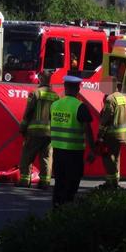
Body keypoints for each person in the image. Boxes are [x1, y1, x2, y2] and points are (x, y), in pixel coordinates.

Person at [50, 76, 94, 207]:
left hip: (57, 150)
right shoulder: (80, 107)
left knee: (59, 181)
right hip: (74, 152)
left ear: (65, 88)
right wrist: (92, 150)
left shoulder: (55, 105)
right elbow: (88, 131)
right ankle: (67, 208)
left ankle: (57, 207)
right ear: (78, 89)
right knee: (72, 182)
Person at [16, 70, 59, 189]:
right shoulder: (55, 96)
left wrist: (22, 128)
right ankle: (45, 182)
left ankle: (25, 181)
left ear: (40, 78)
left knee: (27, 156)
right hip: (49, 133)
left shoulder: (35, 93)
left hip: (34, 132)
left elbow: (28, 112)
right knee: (46, 157)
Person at [88, 78, 126, 189]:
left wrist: (100, 135)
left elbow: (106, 118)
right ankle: (115, 180)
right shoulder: (122, 97)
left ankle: (111, 183)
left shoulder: (110, 99)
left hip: (111, 134)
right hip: (121, 134)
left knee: (107, 158)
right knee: (116, 158)